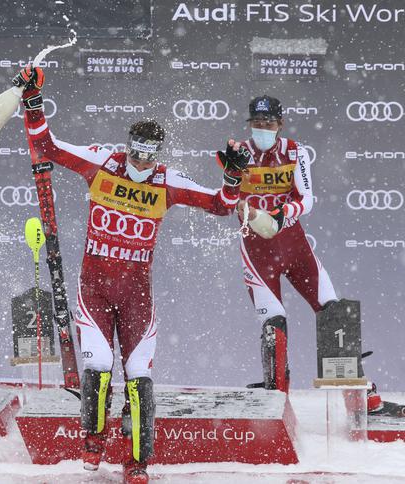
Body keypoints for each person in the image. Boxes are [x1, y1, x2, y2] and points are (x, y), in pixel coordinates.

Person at [14, 66, 249, 483]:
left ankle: (137, 463)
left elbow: (222, 204)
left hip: (137, 295)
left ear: (158, 153)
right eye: (136, 150)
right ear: (127, 146)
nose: (141, 160)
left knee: (139, 380)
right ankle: (93, 437)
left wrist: (233, 178)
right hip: (95, 291)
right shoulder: (103, 163)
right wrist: (32, 100)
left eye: (149, 153)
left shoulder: (167, 182)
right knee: (100, 367)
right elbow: (45, 145)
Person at [233, 95, 385, 412]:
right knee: (274, 325)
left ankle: (358, 390)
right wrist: (235, 196)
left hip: (294, 246)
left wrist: (280, 214)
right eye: (257, 124)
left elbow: (307, 199)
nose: (263, 129)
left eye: (269, 124)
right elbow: (226, 199)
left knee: (332, 312)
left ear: (280, 125)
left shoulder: (294, 151)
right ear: (250, 124)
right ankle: (276, 400)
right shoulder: (238, 154)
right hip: (257, 254)